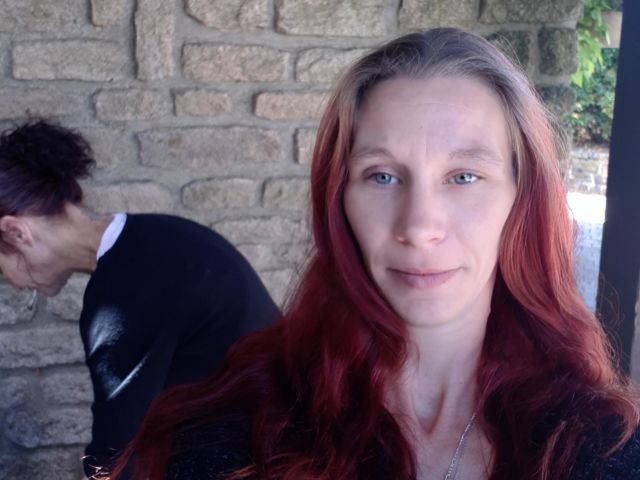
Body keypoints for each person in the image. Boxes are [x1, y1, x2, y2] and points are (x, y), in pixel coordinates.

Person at [108, 28, 640, 480]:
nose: (419, 227)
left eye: (464, 176)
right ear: (338, 200)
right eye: (382, 176)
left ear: (521, 200)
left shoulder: (605, 448)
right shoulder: (234, 439)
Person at [0, 120, 279, 477]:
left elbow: (115, 457)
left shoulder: (120, 296)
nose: (15, 284)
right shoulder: (157, 235)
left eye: (2, 266)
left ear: (16, 232)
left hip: (266, 456)